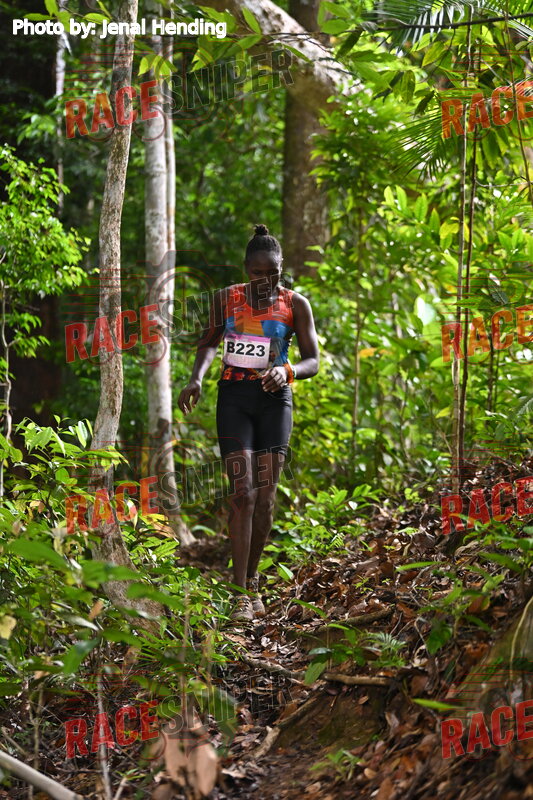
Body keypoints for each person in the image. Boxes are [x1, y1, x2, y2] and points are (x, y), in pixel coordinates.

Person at [178, 224, 319, 623]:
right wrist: (196, 379)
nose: (264, 280)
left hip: (275, 402)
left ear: (281, 268)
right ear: (246, 269)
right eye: (257, 273)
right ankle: (239, 593)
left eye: (272, 273)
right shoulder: (227, 299)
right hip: (234, 400)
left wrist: (287, 371)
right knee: (243, 493)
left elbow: (313, 360)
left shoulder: (295, 304)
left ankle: (253, 579)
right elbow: (208, 343)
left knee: (266, 498)